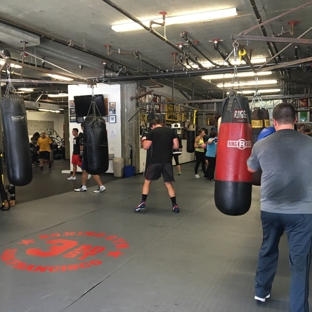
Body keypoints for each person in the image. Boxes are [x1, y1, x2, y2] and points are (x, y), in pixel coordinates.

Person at [246, 103, 312, 311]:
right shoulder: (310, 143)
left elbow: (250, 168)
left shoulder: (261, 145)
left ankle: (261, 291)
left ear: (273, 122)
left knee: (268, 249)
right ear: (295, 120)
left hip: (270, 209)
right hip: (302, 212)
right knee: (300, 263)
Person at [135, 119, 180, 213]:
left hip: (155, 161)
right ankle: (174, 205)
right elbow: (176, 146)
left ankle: (143, 202)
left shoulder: (152, 132)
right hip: (167, 161)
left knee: (147, 181)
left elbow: (145, 147)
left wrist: (143, 140)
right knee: (168, 183)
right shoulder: (171, 131)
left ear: (152, 126)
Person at [74, 122, 105, 193]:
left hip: (88, 156)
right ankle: (83, 186)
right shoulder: (93, 134)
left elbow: (82, 147)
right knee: (85, 171)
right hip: (92, 155)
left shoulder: (86, 135)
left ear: (83, 127)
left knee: (91, 171)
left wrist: (81, 155)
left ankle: (101, 186)